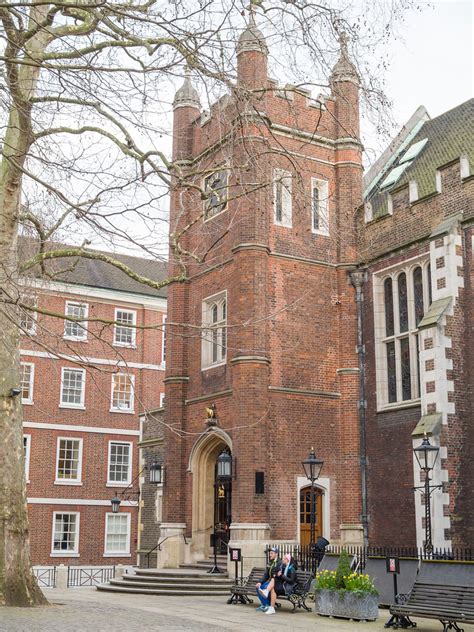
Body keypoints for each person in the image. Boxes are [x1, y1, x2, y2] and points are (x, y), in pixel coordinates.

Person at [255, 546, 282, 612]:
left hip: (276, 582)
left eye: (272, 553)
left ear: (276, 554)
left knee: (266, 587)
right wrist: (260, 582)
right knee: (258, 586)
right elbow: (266, 575)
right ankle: (265, 604)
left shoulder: (280, 562)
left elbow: (276, 575)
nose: (270, 555)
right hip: (270, 581)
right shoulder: (270, 562)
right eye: (270, 553)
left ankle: (267, 605)